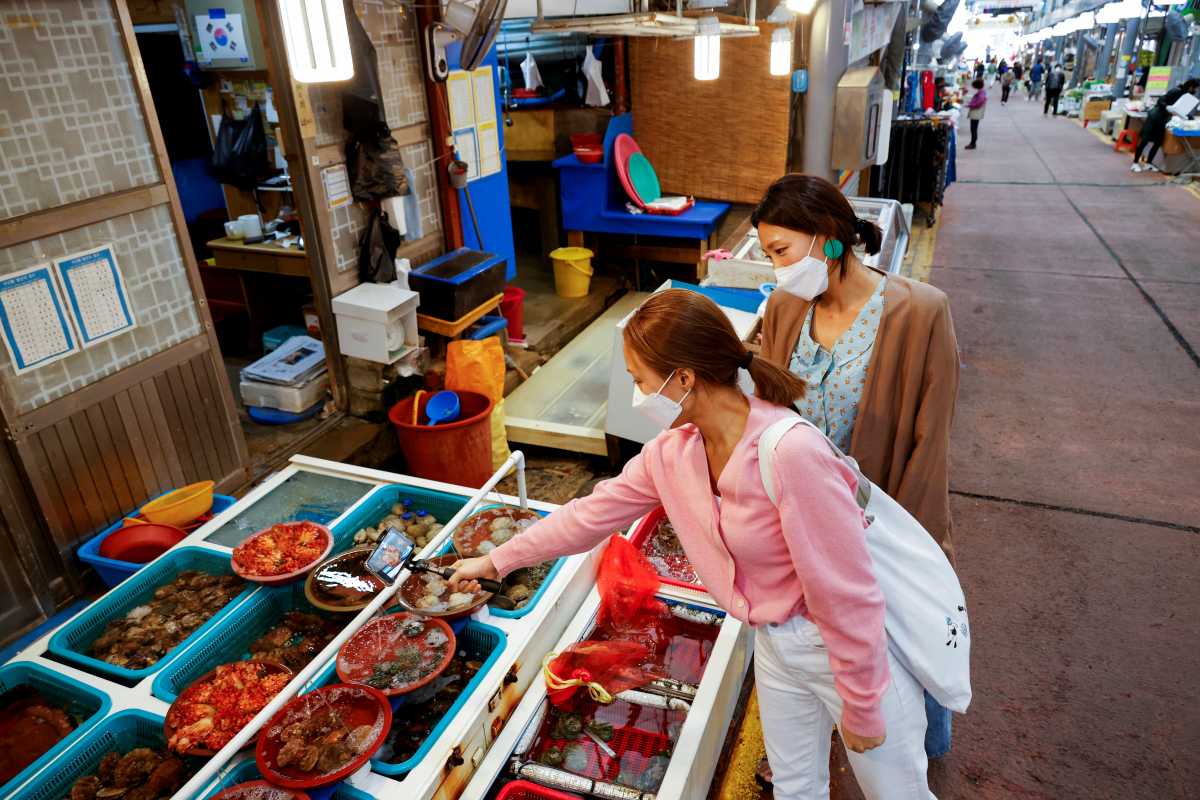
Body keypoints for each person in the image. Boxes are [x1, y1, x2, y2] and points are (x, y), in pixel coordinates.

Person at [451, 287, 940, 800]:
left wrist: (862, 702)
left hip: (842, 644)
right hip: (774, 642)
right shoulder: (674, 452)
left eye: (640, 380)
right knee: (796, 786)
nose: (638, 395)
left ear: (683, 378)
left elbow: (848, 590)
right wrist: (496, 561)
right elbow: (590, 515)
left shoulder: (790, 452)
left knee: (898, 791)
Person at [754, 175, 961, 763]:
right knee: (819, 641)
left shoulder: (921, 312)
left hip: (885, 518)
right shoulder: (785, 305)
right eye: (770, 255)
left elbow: (930, 442)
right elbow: (771, 409)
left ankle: (922, 744)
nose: (777, 269)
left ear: (829, 240)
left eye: (782, 252)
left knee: (902, 635)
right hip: (808, 517)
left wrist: (914, 543)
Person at [1131, 77, 1200, 172]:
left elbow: (1180, 109)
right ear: (1191, 86)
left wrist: (1188, 116)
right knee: (1145, 140)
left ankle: (1148, 163)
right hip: (1155, 116)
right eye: (1195, 88)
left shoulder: (1187, 96)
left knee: (1158, 142)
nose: (1196, 90)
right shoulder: (1176, 91)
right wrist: (1167, 107)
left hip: (1164, 119)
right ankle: (1135, 163)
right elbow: (1160, 101)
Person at [965, 78, 987, 148]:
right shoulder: (981, 92)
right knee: (974, 128)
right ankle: (973, 142)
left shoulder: (981, 93)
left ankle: (973, 143)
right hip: (977, 112)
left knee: (973, 129)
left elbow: (978, 103)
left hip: (976, 112)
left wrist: (970, 105)